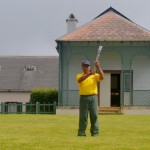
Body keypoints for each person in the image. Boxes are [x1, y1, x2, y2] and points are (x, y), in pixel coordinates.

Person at [76, 60, 104, 136]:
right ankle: (81, 133)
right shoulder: (79, 75)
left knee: (94, 115)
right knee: (83, 116)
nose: (85, 68)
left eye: (87, 66)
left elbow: (102, 77)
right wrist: (90, 73)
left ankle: (95, 133)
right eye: (84, 66)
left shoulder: (94, 75)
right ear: (82, 67)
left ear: (89, 67)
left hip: (93, 97)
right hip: (83, 98)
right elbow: (80, 80)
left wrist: (98, 66)